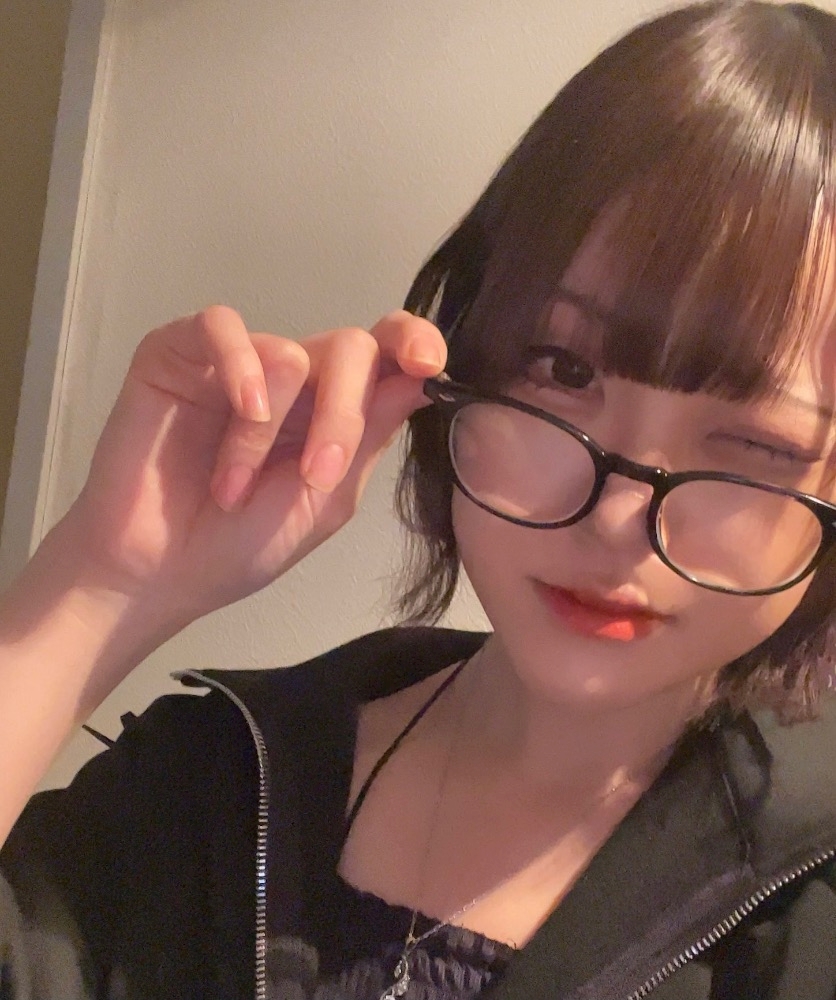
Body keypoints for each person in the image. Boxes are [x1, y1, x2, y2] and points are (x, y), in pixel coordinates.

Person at [2, 1, 836, 997]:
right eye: (563, 369)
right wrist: (100, 587)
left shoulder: (808, 914)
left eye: (755, 444)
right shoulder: (207, 787)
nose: (617, 518)